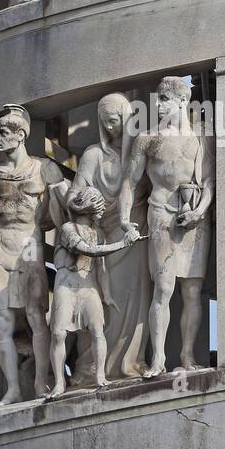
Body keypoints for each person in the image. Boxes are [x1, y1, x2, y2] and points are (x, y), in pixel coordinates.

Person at [0, 104, 64, 407]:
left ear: (20, 136)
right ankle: (12, 389)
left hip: (29, 246)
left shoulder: (44, 169)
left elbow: (60, 213)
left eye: (4, 133)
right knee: (3, 321)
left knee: (37, 316)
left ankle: (40, 382)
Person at [119, 77, 215, 377]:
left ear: (183, 101)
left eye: (164, 99)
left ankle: (186, 355)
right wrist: (124, 219)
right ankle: (159, 358)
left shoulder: (202, 135)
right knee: (163, 287)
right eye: (157, 99)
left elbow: (210, 180)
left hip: (195, 219)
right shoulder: (147, 138)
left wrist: (200, 210)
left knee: (191, 290)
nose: (158, 105)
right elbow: (129, 182)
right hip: (161, 215)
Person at [70, 94, 151, 381]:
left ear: (126, 119)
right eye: (105, 123)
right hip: (102, 237)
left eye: (114, 121)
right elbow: (73, 194)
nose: (110, 128)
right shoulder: (94, 155)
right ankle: (91, 368)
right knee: (107, 302)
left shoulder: (141, 150)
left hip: (135, 231)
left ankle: (130, 362)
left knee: (136, 299)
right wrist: (84, 202)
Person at [47, 187, 140, 397]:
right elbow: (87, 250)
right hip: (67, 286)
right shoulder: (68, 228)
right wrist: (123, 244)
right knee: (58, 333)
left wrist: (106, 295)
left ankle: (100, 376)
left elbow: (102, 269)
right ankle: (59, 383)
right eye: (98, 204)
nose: (102, 209)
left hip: (88, 286)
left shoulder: (98, 234)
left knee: (98, 330)